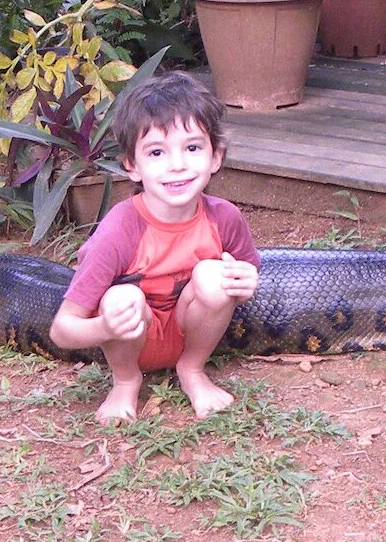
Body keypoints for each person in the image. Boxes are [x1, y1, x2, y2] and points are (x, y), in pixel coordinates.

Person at [50, 72, 261, 423]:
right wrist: (106, 327)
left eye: (192, 148)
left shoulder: (225, 217)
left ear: (215, 157)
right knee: (122, 298)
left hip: (190, 330)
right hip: (133, 337)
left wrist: (246, 283)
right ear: (132, 165)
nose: (177, 164)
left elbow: (242, 282)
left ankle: (192, 370)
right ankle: (125, 381)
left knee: (215, 275)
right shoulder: (119, 230)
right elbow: (62, 330)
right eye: (157, 152)